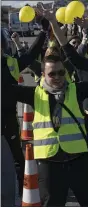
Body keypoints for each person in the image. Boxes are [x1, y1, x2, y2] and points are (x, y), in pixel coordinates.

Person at [5, 48, 88, 206]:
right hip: (49, 165)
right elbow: (5, 88)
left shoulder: (75, 90)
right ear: (43, 75)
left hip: (78, 161)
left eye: (61, 72)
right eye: (52, 74)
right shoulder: (34, 94)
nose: (58, 77)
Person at [1, 22, 47, 196]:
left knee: (18, 160)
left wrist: (43, 32)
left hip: (8, 121)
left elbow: (29, 56)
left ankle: (23, 190)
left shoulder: (11, 63)